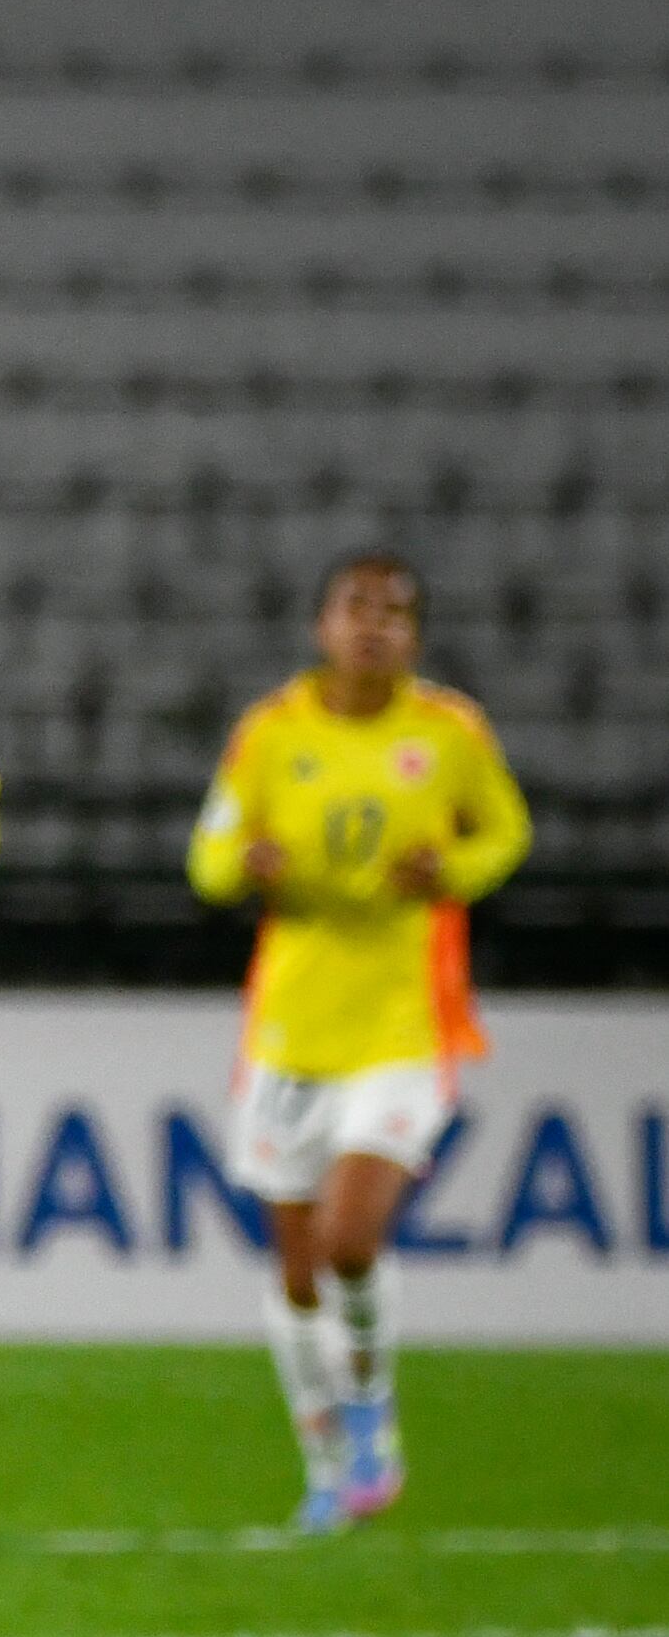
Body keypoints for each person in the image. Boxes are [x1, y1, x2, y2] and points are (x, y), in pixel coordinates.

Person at [190, 551, 529, 1531]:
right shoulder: (271, 732)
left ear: (413, 636)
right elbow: (206, 854)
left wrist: (452, 865)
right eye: (355, 608)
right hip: (291, 1030)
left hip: (401, 1023)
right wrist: (242, 862)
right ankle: (327, 1457)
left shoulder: (448, 731)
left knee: (348, 1239)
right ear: (321, 625)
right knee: (294, 1270)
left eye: (393, 613)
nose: (373, 626)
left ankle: (370, 1402)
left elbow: (505, 834)